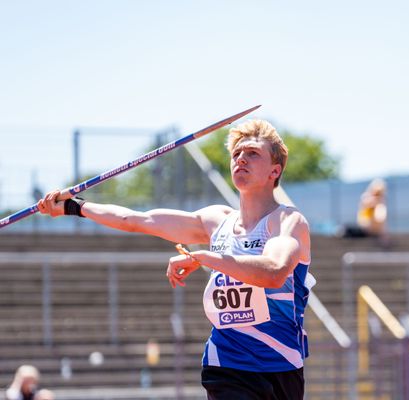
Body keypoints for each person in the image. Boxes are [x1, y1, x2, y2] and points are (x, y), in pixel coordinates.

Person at [37, 119, 313, 400]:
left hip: (282, 364)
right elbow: (136, 220)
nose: (241, 158)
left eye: (253, 153)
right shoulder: (216, 221)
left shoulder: (288, 221)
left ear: (274, 171)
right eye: (236, 154)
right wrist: (75, 206)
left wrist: (207, 257)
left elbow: (274, 272)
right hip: (227, 363)